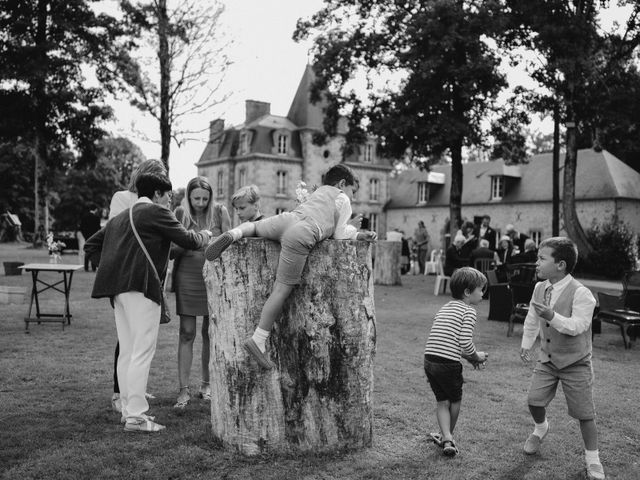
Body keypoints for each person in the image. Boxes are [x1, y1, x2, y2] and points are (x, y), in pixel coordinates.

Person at [204, 164, 377, 370]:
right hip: (303, 233)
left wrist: (356, 234)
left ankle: (233, 234)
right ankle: (258, 339)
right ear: (342, 184)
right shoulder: (343, 198)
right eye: (353, 191)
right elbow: (339, 235)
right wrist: (356, 234)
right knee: (280, 290)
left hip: (289, 218)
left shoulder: (319, 192)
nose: (353, 196)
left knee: (255, 226)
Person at [85, 171, 212, 433]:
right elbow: (188, 239)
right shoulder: (155, 211)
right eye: (168, 196)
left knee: (129, 352)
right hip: (142, 288)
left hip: (118, 292)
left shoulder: (121, 217)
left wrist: (114, 270)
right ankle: (137, 417)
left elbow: (91, 245)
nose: (169, 201)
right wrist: (206, 235)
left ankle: (128, 411)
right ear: (156, 194)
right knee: (141, 352)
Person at [519, 237, 604, 480]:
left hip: (576, 363)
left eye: (541, 258)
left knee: (584, 414)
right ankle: (541, 428)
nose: (536, 263)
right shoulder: (539, 288)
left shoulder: (582, 294)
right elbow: (533, 319)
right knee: (534, 401)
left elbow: (577, 326)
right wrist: (526, 344)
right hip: (547, 359)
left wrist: (552, 315)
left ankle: (593, 459)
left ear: (561, 265)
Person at [107, 159, 167, 413]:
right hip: (128, 276)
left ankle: (134, 395)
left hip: (149, 274)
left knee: (136, 345)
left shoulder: (160, 204)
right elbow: (114, 233)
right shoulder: (123, 198)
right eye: (158, 176)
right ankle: (123, 397)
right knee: (130, 345)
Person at [172, 177, 231, 409]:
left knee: (209, 332)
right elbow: (171, 249)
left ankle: (206, 385)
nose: (200, 203)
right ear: (188, 196)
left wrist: (213, 243)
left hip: (212, 278)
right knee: (187, 332)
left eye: (205, 199)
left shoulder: (219, 211)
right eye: (196, 198)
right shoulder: (179, 213)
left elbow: (230, 243)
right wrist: (195, 242)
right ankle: (183, 390)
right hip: (186, 275)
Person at [423, 267, 489, 457]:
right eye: (481, 289)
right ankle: (448, 438)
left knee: (442, 401)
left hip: (429, 361)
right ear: (468, 292)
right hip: (448, 365)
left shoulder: (445, 307)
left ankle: (445, 435)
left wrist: (470, 357)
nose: (483, 294)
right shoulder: (469, 311)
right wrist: (476, 356)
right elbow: (465, 342)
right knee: (455, 400)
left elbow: (449, 342)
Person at [77, 204, 101, 271]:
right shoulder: (97, 218)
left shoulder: (84, 217)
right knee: (93, 251)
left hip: (86, 236)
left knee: (87, 251)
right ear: (95, 209)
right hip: (94, 237)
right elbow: (98, 228)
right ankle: (93, 268)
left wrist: (85, 235)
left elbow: (81, 227)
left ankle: (86, 267)